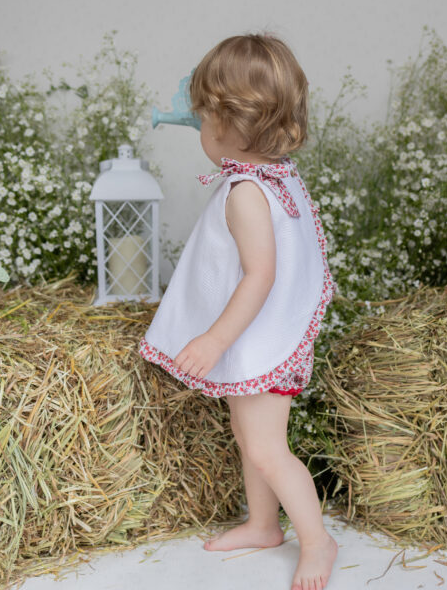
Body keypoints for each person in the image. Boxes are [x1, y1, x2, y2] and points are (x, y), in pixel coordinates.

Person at [139, 32, 338, 590]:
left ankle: (317, 541)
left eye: (204, 118)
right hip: (266, 332)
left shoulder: (248, 191)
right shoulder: (275, 174)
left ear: (229, 125)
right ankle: (263, 525)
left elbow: (260, 275)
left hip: (259, 336)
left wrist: (214, 339)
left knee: (268, 449)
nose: (200, 128)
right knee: (249, 437)